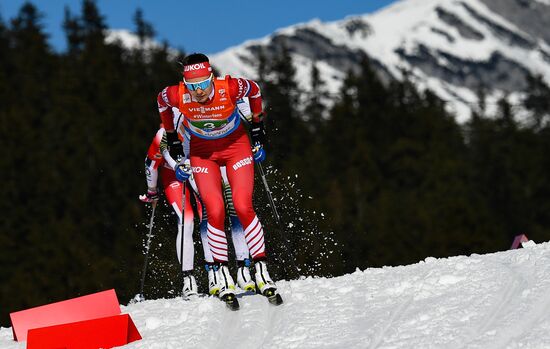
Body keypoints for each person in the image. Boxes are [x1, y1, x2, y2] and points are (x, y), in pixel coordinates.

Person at [156, 53, 280, 304]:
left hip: (236, 147)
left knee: (243, 206)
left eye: (203, 84)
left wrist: (257, 127)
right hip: (203, 154)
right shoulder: (177, 94)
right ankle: (222, 274)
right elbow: (161, 102)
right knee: (214, 211)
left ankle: (260, 268)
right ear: (185, 84)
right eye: (193, 86)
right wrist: (171, 135)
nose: (199, 91)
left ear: (211, 77)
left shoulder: (230, 87)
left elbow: (254, 91)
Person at [139, 119, 255, 298]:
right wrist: (152, 191)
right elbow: (151, 165)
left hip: (199, 169)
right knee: (186, 219)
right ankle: (188, 280)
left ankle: (215, 274)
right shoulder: (163, 136)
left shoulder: (202, 129)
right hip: (174, 177)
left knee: (209, 214)